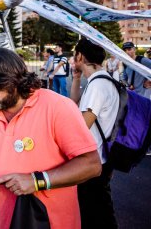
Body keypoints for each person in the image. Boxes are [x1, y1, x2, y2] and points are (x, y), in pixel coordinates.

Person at [0, 48, 101, 229]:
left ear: (13, 79)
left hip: (52, 222)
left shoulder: (57, 106)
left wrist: (37, 180)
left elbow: (92, 165)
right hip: (6, 221)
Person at [70, 38, 119, 229]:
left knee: (95, 213)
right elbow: (74, 102)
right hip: (103, 156)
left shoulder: (98, 85)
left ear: (80, 56)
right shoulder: (103, 79)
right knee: (99, 209)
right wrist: (75, 78)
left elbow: (82, 126)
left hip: (93, 159)